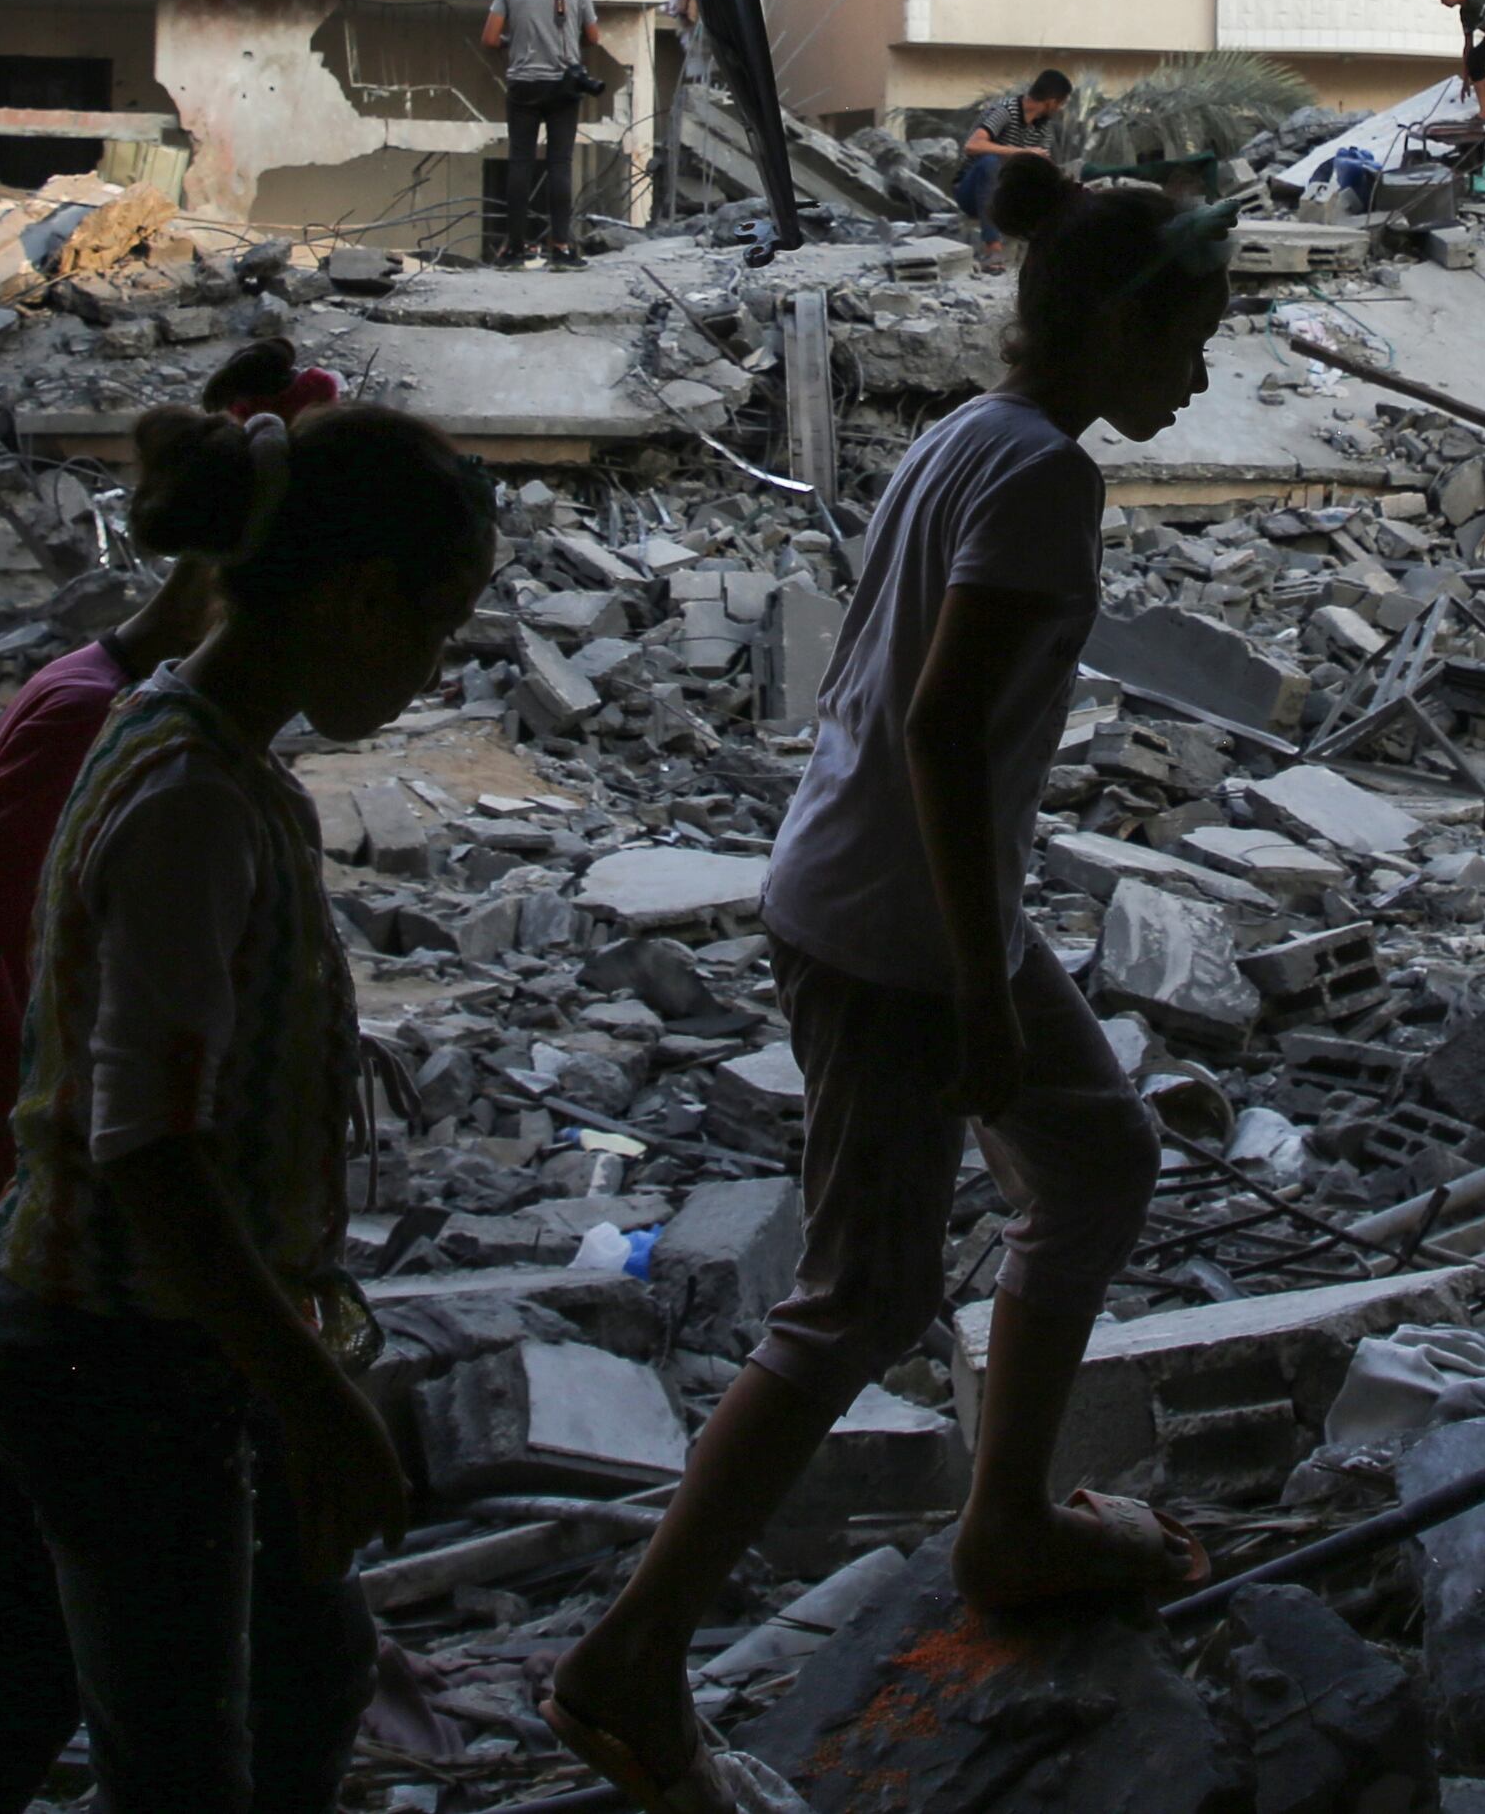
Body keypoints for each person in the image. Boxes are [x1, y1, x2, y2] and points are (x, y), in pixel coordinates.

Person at [550, 151, 1238, 1814]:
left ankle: (1005, 1519)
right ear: (1121, 330)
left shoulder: (977, 437)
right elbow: (937, 725)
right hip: (896, 932)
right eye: (1192, 339)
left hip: (922, 910)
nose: (1204, 374)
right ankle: (628, 1655)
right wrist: (983, 991)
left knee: (1097, 1160)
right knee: (856, 1299)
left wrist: (992, 952)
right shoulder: (1041, 484)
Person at [0, 394, 497, 1814]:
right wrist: (310, 1390)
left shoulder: (205, 752)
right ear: (363, 595)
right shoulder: (191, 800)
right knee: (178, 1760)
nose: (436, 667)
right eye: (435, 627)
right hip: (114, 1347)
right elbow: (145, 1144)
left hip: (172, 1337)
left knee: (307, 1666)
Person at [0, 345, 335, 1814]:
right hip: (34, 1243)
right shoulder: (98, 724)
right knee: (37, 1645)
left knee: (146, 1639)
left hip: (94, 1244)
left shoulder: (196, 734)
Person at [479, 0, 602, 267]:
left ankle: (514, 247)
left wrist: (513, 41)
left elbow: (489, 38)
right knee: (559, 164)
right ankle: (561, 247)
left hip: (523, 85)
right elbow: (594, 37)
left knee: (520, 162)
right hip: (563, 86)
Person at [954, 69, 1073, 261]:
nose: (1060, 109)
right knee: (990, 163)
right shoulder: (1004, 111)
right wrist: (1023, 152)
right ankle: (993, 247)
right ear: (1051, 102)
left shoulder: (1042, 127)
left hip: (1006, 195)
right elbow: (972, 145)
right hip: (971, 193)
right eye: (1061, 103)